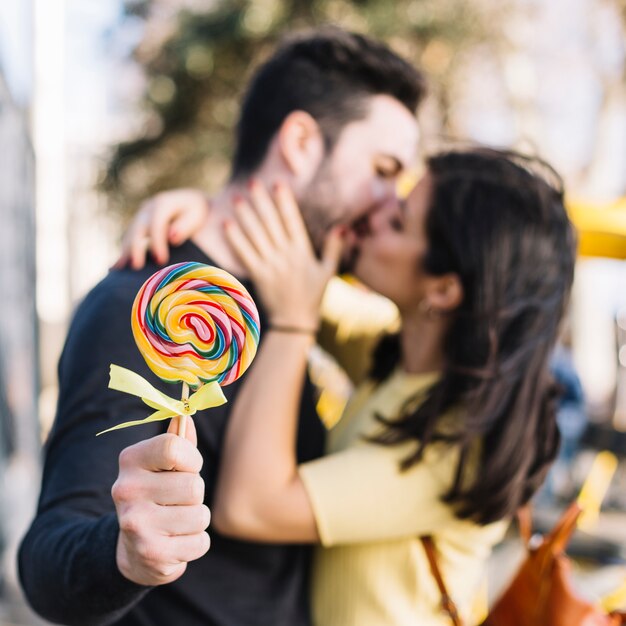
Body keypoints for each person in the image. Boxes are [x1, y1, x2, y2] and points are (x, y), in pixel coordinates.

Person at [18, 28, 424, 626]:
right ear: (302, 142)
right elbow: (48, 562)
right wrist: (124, 553)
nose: (392, 203)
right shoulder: (141, 311)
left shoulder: (284, 302)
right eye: (383, 169)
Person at [143, 147, 576, 625]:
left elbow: (249, 507)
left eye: (399, 221)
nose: (377, 212)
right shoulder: (399, 352)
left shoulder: (456, 448)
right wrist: (204, 211)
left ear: (444, 290)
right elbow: (290, 274)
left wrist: (292, 324)